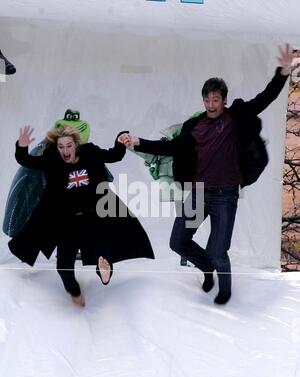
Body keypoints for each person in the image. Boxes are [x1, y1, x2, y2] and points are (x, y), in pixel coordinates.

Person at [117, 44, 293, 305]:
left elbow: (265, 98)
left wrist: (283, 72)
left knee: (218, 251)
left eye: (216, 99)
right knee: (178, 242)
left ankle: (225, 291)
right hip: (199, 195)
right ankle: (206, 269)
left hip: (225, 196)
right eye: (207, 100)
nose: (211, 105)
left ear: (224, 99)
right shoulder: (194, 126)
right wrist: (138, 141)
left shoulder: (236, 118)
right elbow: (170, 147)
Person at [8, 125, 154, 307]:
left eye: (69, 146)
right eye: (61, 147)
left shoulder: (90, 153)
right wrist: (21, 146)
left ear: (76, 145)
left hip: (94, 216)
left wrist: (119, 140)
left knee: (103, 251)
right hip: (66, 221)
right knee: (63, 265)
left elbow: (114, 155)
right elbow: (25, 160)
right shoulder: (51, 159)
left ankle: (104, 271)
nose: (65, 151)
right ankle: (75, 291)